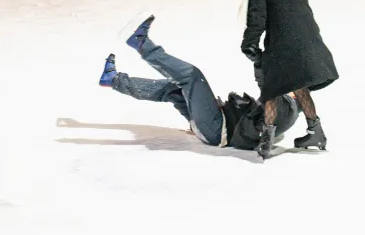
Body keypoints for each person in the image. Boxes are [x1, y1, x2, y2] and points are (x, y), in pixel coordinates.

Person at [99, 14, 300, 154]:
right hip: (214, 124)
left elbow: (265, 121)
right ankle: (114, 80)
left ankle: (141, 43)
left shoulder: (285, 108)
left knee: (191, 76)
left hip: (217, 129)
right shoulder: (284, 104)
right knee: (174, 89)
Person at [240, 0, 338, 159]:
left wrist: (250, 43)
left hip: (283, 42)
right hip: (307, 38)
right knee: (298, 84)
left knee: (272, 89)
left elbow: (257, 16)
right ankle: (316, 132)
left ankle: (266, 141)